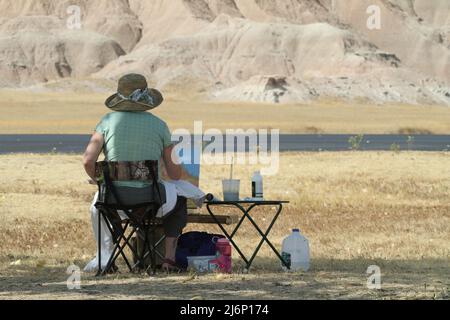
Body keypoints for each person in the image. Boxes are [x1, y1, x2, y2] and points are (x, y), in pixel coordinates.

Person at [82, 73, 190, 273]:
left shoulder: (106, 122)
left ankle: (107, 257)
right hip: (150, 201)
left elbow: (88, 160)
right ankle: (168, 259)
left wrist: (100, 180)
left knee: (102, 208)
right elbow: (176, 174)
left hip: (112, 201)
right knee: (180, 201)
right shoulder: (160, 125)